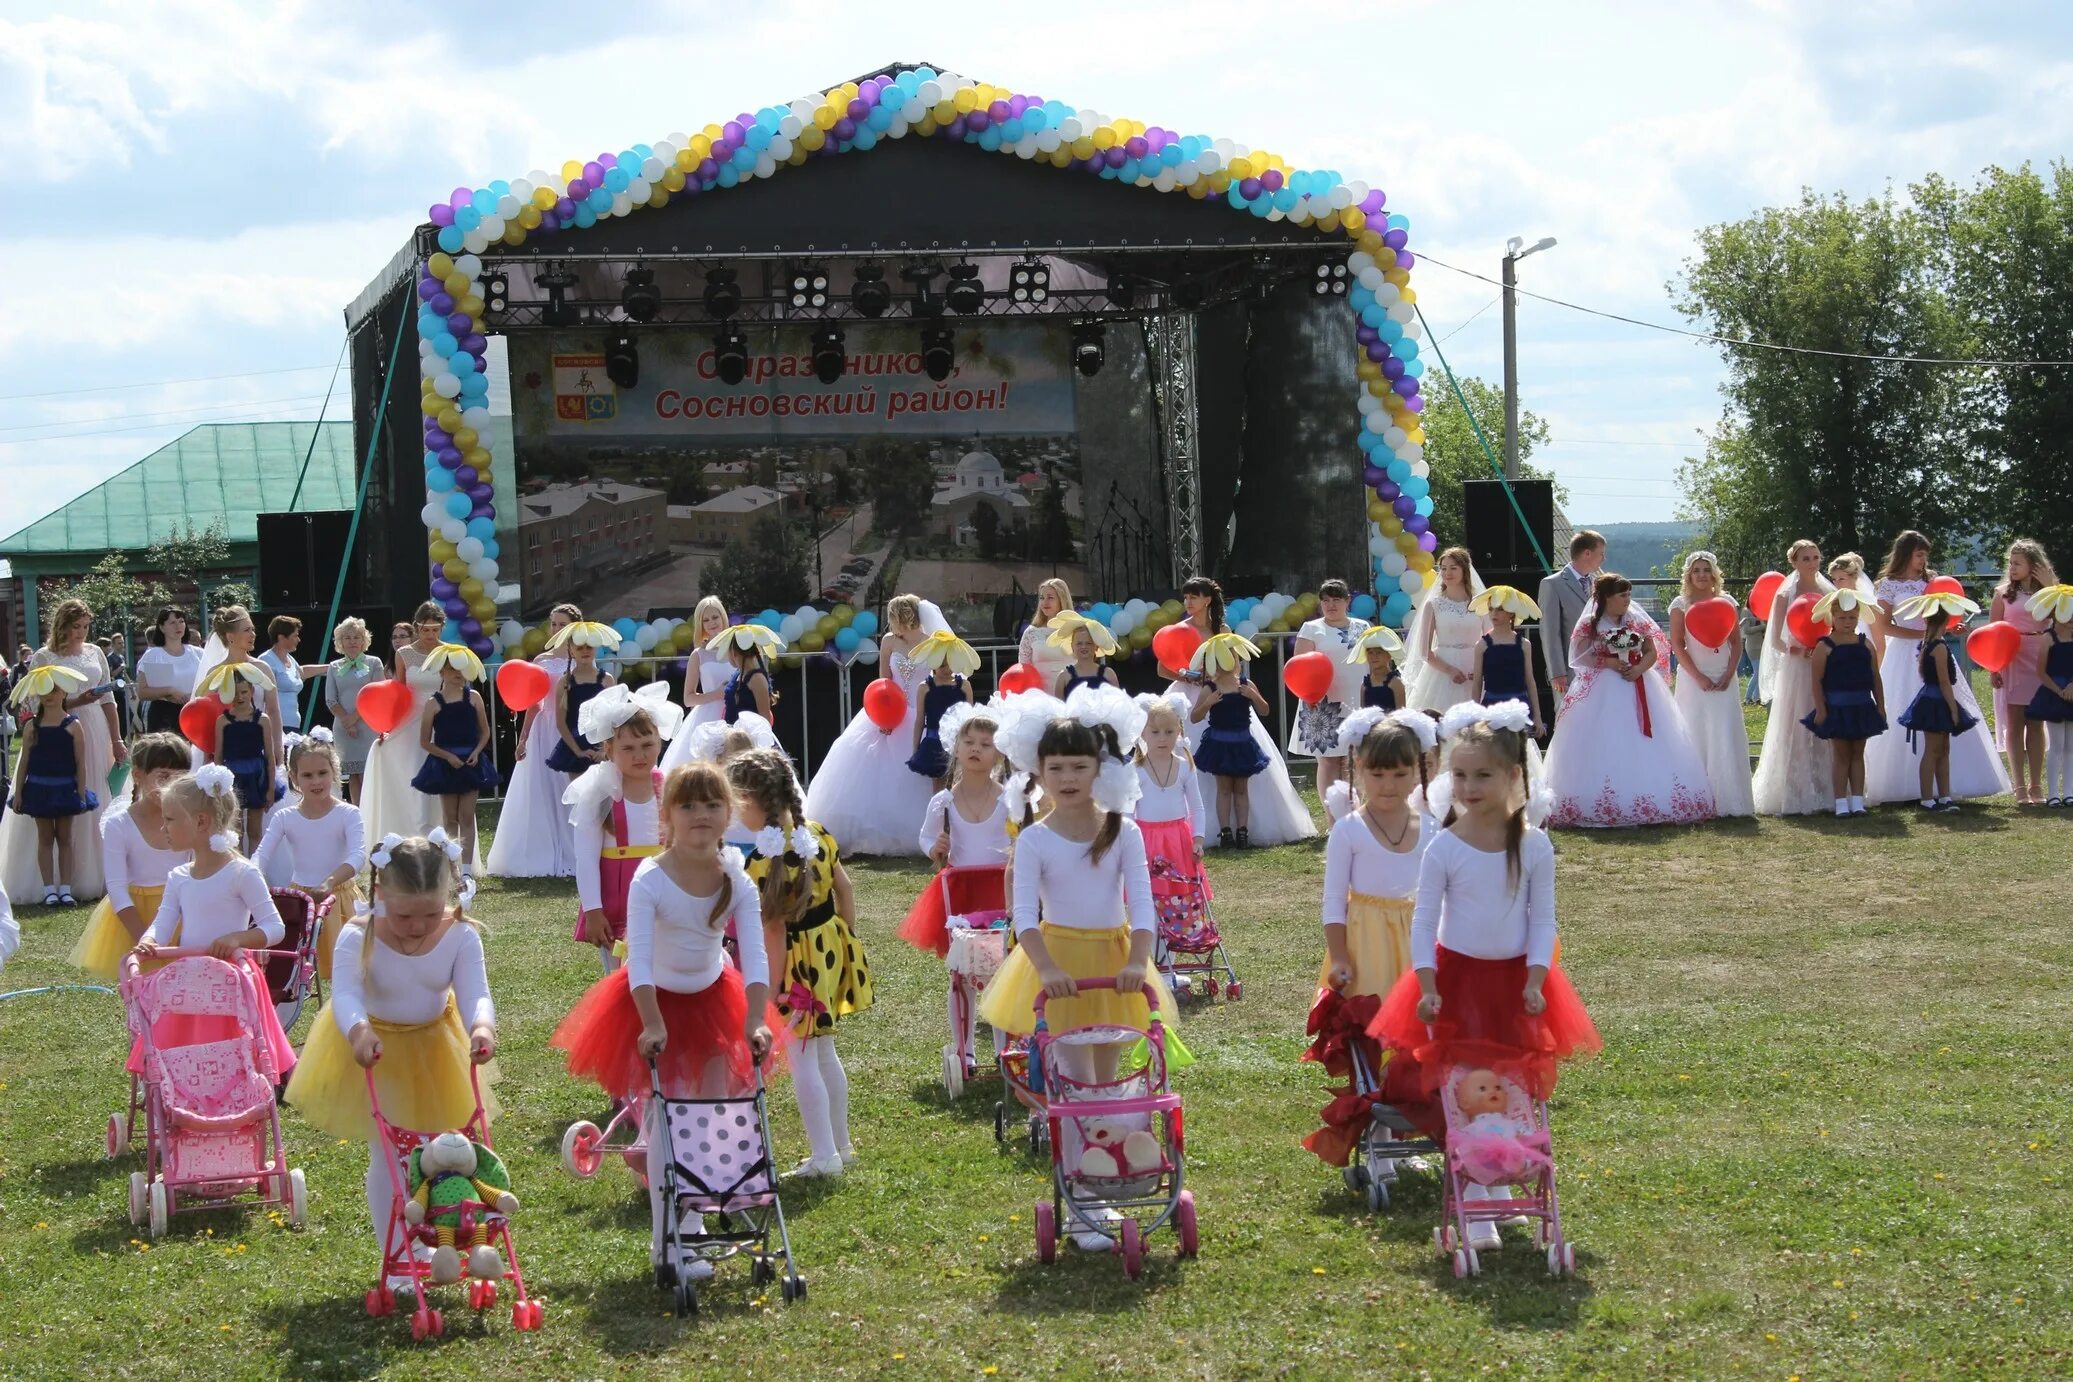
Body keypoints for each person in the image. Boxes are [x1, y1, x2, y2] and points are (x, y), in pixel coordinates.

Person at [1367, 712, 1601, 1246]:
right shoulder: (1444, 847)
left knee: (1507, 1085)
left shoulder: (1534, 846)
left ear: (1513, 777)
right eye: (1462, 775)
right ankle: (1474, 1191)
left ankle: (1503, 1177)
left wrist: (1537, 979)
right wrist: (1427, 984)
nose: (1470, 788)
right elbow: (1424, 922)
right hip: (1456, 981)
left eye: (1483, 776)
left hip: (1515, 983)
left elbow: (1543, 920)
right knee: (1465, 1084)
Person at [551, 761, 771, 1283]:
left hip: (715, 999)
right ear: (667, 816)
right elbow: (641, 961)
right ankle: (663, 1241)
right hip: (656, 1004)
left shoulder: (736, 876)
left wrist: (757, 1019)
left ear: (728, 814)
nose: (701, 815)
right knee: (667, 1126)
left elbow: (757, 958)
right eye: (688, 805)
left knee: (711, 1115)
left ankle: (691, 1226)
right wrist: (651, 1022)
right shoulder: (652, 877)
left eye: (712, 805)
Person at [976, 696, 1178, 1251]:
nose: (1067, 777)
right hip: (1058, 967)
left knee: (1110, 1078)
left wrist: (1139, 959)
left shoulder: (1124, 832)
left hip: (1116, 967)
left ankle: (1116, 1171)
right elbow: (1024, 916)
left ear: (1101, 769)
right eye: (1056, 767)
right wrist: (1046, 969)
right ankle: (1085, 1197)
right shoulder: (1036, 838)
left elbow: (1142, 902)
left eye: (1079, 766)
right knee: (1071, 1083)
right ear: (1038, 772)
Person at [282, 834, 499, 1282]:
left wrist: (482, 1026)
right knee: (390, 1155)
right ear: (379, 894)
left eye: (430, 913)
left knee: (443, 1154)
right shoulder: (358, 936)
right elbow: (345, 993)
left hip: (437, 1048)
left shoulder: (460, 935)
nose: (418, 927)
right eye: (404, 915)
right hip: (378, 1052)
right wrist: (359, 1032)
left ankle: (440, 1240)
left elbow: (477, 993)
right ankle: (398, 1256)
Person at [731, 747, 871, 1178]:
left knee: (803, 1059)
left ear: (753, 802)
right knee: (824, 1051)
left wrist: (770, 992)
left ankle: (824, 1156)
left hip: (792, 966)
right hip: (827, 953)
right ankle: (841, 1146)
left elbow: (772, 933)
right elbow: (844, 890)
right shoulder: (819, 834)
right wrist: (845, 939)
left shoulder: (761, 863)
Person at [1302, 712, 1432, 1170]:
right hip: (1365, 940)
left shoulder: (1429, 826)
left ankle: (1403, 1127)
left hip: (1416, 940)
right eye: (1378, 774)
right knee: (1374, 1038)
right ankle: (1377, 1137)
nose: (1389, 785)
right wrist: (1339, 955)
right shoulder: (1349, 830)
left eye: (1400, 773)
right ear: (1359, 771)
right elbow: (1334, 901)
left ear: (1419, 771)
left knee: (1413, 1039)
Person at [133, 767, 297, 1083]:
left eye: (169, 819)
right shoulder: (179, 878)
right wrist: (150, 941)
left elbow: (274, 927)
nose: (163, 826)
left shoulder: (242, 873)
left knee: (229, 1049)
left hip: (230, 984)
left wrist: (237, 938)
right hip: (189, 984)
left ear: (201, 822)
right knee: (185, 1049)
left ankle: (231, 1094)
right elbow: (162, 924)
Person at [1544, 574, 1716, 828]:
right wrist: (1609, 662)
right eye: (1622, 595)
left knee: (1647, 738)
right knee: (1606, 738)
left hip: (1637, 682)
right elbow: (1580, 657)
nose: (1627, 600)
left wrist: (1638, 669)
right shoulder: (1592, 624)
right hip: (1602, 687)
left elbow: (1651, 652)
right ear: (1606, 598)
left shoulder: (1634, 620)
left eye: (1628, 595)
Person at [1163, 576, 1315, 846]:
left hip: (1225, 695)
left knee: (1239, 755)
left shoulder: (1222, 628)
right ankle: (1202, 825)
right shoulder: (1179, 629)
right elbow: (1163, 668)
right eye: (1186, 598)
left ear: (1207, 599)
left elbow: (1231, 662)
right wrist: (1188, 676)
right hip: (1194, 695)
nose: (1188, 603)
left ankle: (1242, 826)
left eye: (1194, 597)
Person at [1864, 533, 2009, 806]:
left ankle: (1950, 784)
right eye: (1919, 554)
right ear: (1906, 554)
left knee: (1943, 702)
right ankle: (1904, 782)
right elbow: (1884, 625)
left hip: (1935, 650)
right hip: (1904, 653)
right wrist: (1920, 637)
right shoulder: (1889, 586)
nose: (1923, 560)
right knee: (1904, 709)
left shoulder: (1931, 581)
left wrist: (1948, 628)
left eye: (1925, 555)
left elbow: (1941, 615)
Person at [0, 600, 121, 902]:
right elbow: (36, 704)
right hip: (59, 730)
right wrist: (79, 701)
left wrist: (117, 739)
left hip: (96, 729)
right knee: (58, 796)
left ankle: (92, 874)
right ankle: (51, 882)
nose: (81, 633)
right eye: (75, 627)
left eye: (85, 627)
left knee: (93, 793)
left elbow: (109, 701)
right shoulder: (44, 656)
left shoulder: (96, 654)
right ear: (62, 626)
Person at [803, 595, 940, 856]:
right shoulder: (889, 641)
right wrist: (883, 714)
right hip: (891, 709)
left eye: (892, 617)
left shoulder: (931, 642)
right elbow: (884, 680)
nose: (890, 624)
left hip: (919, 711)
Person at [564, 683, 683, 974]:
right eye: (627, 748)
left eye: (647, 745)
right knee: (622, 977)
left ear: (660, 742)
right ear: (609, 749)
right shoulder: (599, 792)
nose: (639, 755)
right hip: (618, 905)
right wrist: (593, 910)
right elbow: (587, 859)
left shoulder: (670, 787)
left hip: (665, 901)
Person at [69, 733, 190, 977]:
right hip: (136, 917)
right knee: (143, 992)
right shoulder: (119, 824)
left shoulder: (190, 818)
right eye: (163, 777)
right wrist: (145, 937)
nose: (172, 786)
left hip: (184, 912)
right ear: (138, 775)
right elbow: (116, 887)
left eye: (180, 777)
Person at [898, 701, 1012, 958]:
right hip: (960, 889)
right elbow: (926, 836)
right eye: (969, 742)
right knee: (961, 963)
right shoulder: (943, 801)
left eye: (985, 744)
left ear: (999, 753)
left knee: (1001, 958)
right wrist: (933, 847)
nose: (976, 748)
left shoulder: (1009, 801)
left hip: (1001, 888)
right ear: (956, 748)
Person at [254, 732, 365, 978]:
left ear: (334, 771)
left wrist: (329, 882)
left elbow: (357, 856)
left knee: (348, 969)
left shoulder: (348, 813)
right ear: (294, 777)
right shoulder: (285, 817)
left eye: (322, 773)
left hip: (339, 899)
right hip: (301, 902)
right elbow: (261, 854)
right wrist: (250, 877)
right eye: (307, 775)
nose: (316, 781)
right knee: (293, 970)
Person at [486, 603, 582, 879]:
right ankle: (543, 849)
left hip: (571, 727)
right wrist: (524, 736)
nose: (556, 629)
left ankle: (574, 848)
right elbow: (533, 704)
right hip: (544, 728)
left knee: (570, 787)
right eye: (553, 623)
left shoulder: (583, 660)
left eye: (562, 624)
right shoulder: (541, 660)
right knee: (542, 787)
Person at [1752, 541, 1838, 817]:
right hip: (1798, 666)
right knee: (1799, 722)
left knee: (1829, 720)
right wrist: (1798, 649)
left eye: (1815, 557)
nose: (1812, 563)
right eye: (1806, 558)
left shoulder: (1829, 591)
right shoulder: (1786, 594)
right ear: (1794, 562)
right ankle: (1797, 790)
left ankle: (1830, 788)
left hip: (1826, 661)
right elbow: (1775, 638)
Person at [1666, 551, 1755, 817]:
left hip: (1724, 674)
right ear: (1689, 575)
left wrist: (1730, 674)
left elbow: (1736, 642)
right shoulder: (1680, 604)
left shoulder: (1726, 601)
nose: (1702, 575)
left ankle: (1730, 798)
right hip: (1695, 677)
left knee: (1724, 731)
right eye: (1697, 570)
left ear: (1714, 573)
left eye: (1706, 570)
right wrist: (1699, 676)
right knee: (1696, 732)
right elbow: (1677, 645)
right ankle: (1696, 799)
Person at [9, 665, 98, 906]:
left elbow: (81, 761)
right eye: (45, 690)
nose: (50, 694)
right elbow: (24, 761)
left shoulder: (73, 725)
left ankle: (66, 888)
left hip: (65, 788)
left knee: (65, 838)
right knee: (45, 838)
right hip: (38, 789)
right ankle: (49, 889)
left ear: (64, 693)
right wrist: (19, 793)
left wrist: (81, 791)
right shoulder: (32, 727)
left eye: (55, 689)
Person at [408, 644, 496, 876]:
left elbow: (485, 731)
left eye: (461, 669)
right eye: (451, 669)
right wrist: (447, 756)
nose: (458, 674)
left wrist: (477, 752)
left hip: (470, 763)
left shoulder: (474, 697)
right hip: (446, 764)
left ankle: (466, 869)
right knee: (450, 818)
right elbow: (425, 741)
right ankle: (453, 866)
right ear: (441, 672)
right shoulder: (433, 703)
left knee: (467, 815)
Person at [1892, 591, 1984, 812]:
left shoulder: (1929, 643)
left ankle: (1944, 795)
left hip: (1931, 699)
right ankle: (1927, 797)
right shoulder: (1939, 646)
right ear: (1945, 620)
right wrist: (1953, 709)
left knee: (1942, 749)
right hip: (1937, 700)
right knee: (1934, 750)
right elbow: (1944, 681)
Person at [1799, 589, 1887, 817]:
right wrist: (1821, 708)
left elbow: (1875, 676)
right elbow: (1817, 680)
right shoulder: (1825, 646)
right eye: (1842, 618)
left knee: (1858, 752)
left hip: (1861, 705)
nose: (1847, 622)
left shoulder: (1865, 644)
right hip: (1837, 707)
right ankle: (1840, 803)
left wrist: (1880, 705)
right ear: (1832, 618)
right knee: (1841, 754)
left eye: (1852, 618)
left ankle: (1857, 801)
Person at [1129, 692, 1208, 935]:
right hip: (1146, 842)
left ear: (1179, 732)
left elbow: (1196, 806)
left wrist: (1198, 839)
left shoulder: (1185, 766)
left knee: (1178, 898)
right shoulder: (1136, 770)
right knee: (1148, 899)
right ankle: (1152, 960)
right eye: (1155, 732)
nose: (1162, 738)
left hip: (1178, 841)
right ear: (1142, 733)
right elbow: (1127, 812)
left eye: (1169, 732)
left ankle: (1170, 959)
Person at [1288, 579, 1373, 803]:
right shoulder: (1311, 628)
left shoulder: (1363, 627)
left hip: (1356, 698)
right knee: (1327, 760)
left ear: (1347, 601)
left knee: (1353, 759)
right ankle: (1331, 816)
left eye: (1336, 600)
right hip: (1321, 702)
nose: (1331, 605)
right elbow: (1299, 666)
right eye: (1326, 600)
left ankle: (1354, 810)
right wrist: (1307, 695)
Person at [1188, 632, 1274, 848]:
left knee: (1241, 789)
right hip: (1219, 744)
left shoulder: (1245, 684)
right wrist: (1207, 703)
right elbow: (1194, 716)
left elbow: (1265, 710)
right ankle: (1226, 831)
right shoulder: (1210, 688)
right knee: (1224, 789)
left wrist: (1253, 696)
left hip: (1242, 743)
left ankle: (1242, 831)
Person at [1991, 539, 2057, 804]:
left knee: (2036, 723)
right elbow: (1993, 632)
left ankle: (2036, 785)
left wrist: (2052, 586)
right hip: (2013, 658)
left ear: (2034, 566)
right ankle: (2019, 785)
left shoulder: (2050, 592)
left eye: (2018, 563)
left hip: (2041, 656)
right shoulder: (2003, 593)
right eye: (2011, 563)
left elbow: (2063, 618)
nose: (2012, 567)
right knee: (2016, 722)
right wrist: (1994, 666)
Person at [1407, 548, 1491, 713]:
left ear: (1464, 570)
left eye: (1453, 568)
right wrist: (1449, 670)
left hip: (1474, 667)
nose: (1447, 573)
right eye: (1444, 568)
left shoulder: (1480, 603)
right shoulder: (1433, 605)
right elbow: (1424, 651)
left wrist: (1482, 669)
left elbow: (1490, 640)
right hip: (1441, 670)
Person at [660, 596, 735, 773]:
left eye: (715, 617)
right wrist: (716, 694)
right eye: (705, 620)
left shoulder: (737, 648)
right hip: (707, 721)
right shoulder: (698, 655)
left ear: (723, 617)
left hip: (736, 713)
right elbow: (688, 698)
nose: (711, 623)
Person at [545, 619, 621, 781]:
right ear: (571, 650)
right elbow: (561, 723)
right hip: (576, 748)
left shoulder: (607, 680)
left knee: (605, 801)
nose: (585, 651)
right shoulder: (565, 682)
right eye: (580, 648)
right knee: (579, 801)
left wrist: (605, 751)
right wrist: (577, 751)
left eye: (589, 647)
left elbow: (614, 720)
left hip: (602, 747)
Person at [1535, 530, 1606, 700]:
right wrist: (1557, 672)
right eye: (1601, 554)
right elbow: (1549, 632)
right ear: (1587, 553)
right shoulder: (1552, 584)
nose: (1604, 559)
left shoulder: (1597, 584)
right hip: (1569, 670)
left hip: (1597, 668)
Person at [2019, 583, 2073, 804]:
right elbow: (2041, 672)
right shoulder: (2048, 638)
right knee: (2056, 745)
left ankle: (2069, 792)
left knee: (2071, 747)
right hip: (2053, 695)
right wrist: (2060, 691)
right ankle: (2052, 794)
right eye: (2068, 617)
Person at [324, 617, 386, 805]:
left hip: (368, 724)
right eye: (347, 638)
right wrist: (346, 720)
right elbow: (330, 699)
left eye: (356, 637)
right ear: (340, 642)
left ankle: (372, 811)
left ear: (363, 640)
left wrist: (355, 718)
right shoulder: (334, 667)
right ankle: (357, 811)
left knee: (368, 772)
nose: (352, 641)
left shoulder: (374, 663)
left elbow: (377, 693)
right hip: (344, 728)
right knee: (353, 774)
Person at [210, 672, 276, 851]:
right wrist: (218, 785)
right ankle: (238, 870)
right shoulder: (223, 721)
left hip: (256, 777)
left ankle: (255, 867)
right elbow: (218, 755)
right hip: (232, 777)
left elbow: (269, 756)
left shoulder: (262, 720)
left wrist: (270, 789)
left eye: (244, 692)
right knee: (235, 830)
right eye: (234, 693)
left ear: (252, 691)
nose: (239, 697)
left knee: (255, 830)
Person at [1468, 587, 1545, 735]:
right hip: (1492, 705)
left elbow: (1530, 681)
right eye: (1491, 609)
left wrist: (1538, 716)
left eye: (1500, 609)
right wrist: (1474, 716)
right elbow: (1477, 683)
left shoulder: (1524, 644)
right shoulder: (1482, 645)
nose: (1494, 614)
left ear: (1511, 613)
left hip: (1519, 706)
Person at [908, 630, 978, 790]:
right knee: (938, 789)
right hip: (934, 743)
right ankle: (939, 815)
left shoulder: (964, 686)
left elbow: (970, 719)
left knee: (958, 786)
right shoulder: (924, 687)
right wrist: (915, 748)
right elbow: (920, 720)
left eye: (950, 664)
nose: (947, 669)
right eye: (942, 664)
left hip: (959, 743)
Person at [135, 606, 203, 740]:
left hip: (194, 711)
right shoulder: (153, 655)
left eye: (181, 621)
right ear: (161, 627)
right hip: (164, 715)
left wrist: (195, 694)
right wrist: (169, 691)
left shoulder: (198, 654)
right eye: (172, 623)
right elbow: (142, 692)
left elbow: (210, 683)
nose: (178, 626)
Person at [259, 615, 325, 736]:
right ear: (281, 637)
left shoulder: (290, 659)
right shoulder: (266, 660)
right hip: (276, 727)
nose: (298, 639)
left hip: (293, 727)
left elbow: (302, 672)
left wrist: (332, 667)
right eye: (295, 635)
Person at [708, 622, 780, 726]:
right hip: (732, 738)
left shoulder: (757, 679)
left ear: (734, 652)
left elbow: (765, 720)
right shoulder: (737, 675)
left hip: (749, 740)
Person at [1017, 577, 1077, 690]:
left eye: (1050, 597)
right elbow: (1024, 667)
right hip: (1041, 696)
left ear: (1062, 600)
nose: (1045, 602)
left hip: (1071, 693)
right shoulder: (1031, 632)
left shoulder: (1075, 628)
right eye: (1042, 598)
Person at [1048, 614, 1120, 699]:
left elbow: (1117, 706)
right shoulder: (1063, 677)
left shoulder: (1108, 674)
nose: (1084, 647)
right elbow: (1059, 709)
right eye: (1079, 643)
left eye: (1088, 643)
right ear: (1072, 646)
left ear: (1096, 646)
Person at [1350, 625, 1405, 712]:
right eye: (1370, 653)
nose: (1374, 656)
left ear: (1389, 655)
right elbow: (1363, 714)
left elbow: (1402, 714)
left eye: (1379, 652)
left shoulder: (1395, 683)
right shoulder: (1365, 685)